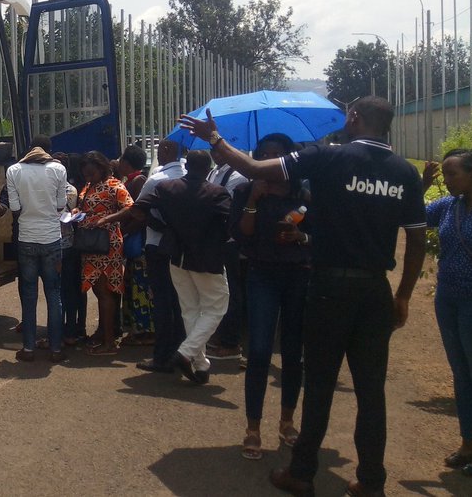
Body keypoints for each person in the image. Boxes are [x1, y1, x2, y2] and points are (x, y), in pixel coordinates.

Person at [180, 96, 427, 497]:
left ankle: (302, 473)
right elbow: (416, 239)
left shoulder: (328, 158)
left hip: (329, 286)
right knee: (371, 391)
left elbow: (255, 168)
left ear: (354, 117)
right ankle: (371, 483)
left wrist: (216, 140)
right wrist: (403, 296)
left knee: (320, 384)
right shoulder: (404, 172)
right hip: (374, 291)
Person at [100, 150, 231, 384]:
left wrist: (164, 227)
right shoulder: (217, 193)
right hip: (206, 258)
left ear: (188, 166)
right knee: (215, 308)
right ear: (208, 168)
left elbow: (137, 209)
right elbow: (230, 226)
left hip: (175, 255)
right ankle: (185, 353)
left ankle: (199, 364)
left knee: (189, 309)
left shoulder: (166, 188)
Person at [232, 133, 311, 461]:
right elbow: (242, 233)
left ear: (288, 159)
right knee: (260, 350)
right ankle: (253, 427)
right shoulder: (244, 190)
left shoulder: (304, 193)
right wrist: (254, 198)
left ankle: (287, 421)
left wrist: (300, 235)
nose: (269, 158)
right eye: (263, 153)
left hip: (297, 275)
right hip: (261, 274)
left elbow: (320, 235)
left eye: (276, 154)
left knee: (293, 353)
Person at [422, 149, 472, 479]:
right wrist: (422, 185)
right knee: (462, 373)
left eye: (451, 173)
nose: (446, 179)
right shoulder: (448, 206)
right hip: (449, 297)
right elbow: (411, 217)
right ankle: (469, 443)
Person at [5, 135, 68, 363]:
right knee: (54, 294)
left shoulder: (13, 170)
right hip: (52, 238)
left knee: (29, 295)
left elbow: (14, 208)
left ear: (29, 149)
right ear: (49, 150)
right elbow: (61, 204)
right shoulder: (58, 170)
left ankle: (29, 349)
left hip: (26, 239)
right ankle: (56, 350)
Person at [129, 139, 187, 373]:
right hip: (184, 248)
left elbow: (137, 209)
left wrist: (156, 224)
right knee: (182, 302)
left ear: (166, 150)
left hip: (157, 246)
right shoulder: (190, 175)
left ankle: (162, 357)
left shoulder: (157, 180)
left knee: (162, 303)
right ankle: (182, 352)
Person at [72, 151, 134, 355]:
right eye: (85, 174)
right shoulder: (90, 185)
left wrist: (107, 219)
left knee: (105, 291)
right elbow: (86, 206)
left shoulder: (114, 185)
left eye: (91, 173)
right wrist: (77, 213)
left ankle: (109, 343)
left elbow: (130, 208)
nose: (87, 177)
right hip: (91, 244)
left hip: (106, 244)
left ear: (101, 168)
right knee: (99, 291)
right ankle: (105, 332)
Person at [208, 144, 251, 361]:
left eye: (219, 150)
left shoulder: (238, 178)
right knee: (219, 290)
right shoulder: (215, 171)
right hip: (216, 240)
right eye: (213, 150)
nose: (215, 154)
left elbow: (230, 208)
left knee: (232, 291)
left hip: (230, 241)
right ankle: (220, 334)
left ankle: (231, 342)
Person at [116, 145, 154, 346]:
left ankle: (145, 331)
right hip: (135, 241)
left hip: (138, 243)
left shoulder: (138, 182)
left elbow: (139, 215)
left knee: (139, 286)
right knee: (133, 284)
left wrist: (124, 231)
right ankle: (138, 329)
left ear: (127, 163)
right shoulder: (132, 181)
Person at [60, 153, 89, 346]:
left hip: (60, 244)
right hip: (75, 243)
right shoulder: (75, 188)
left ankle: (65, 329)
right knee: (77, 288)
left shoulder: (59, 189)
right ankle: (78, 327)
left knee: (63, 289)